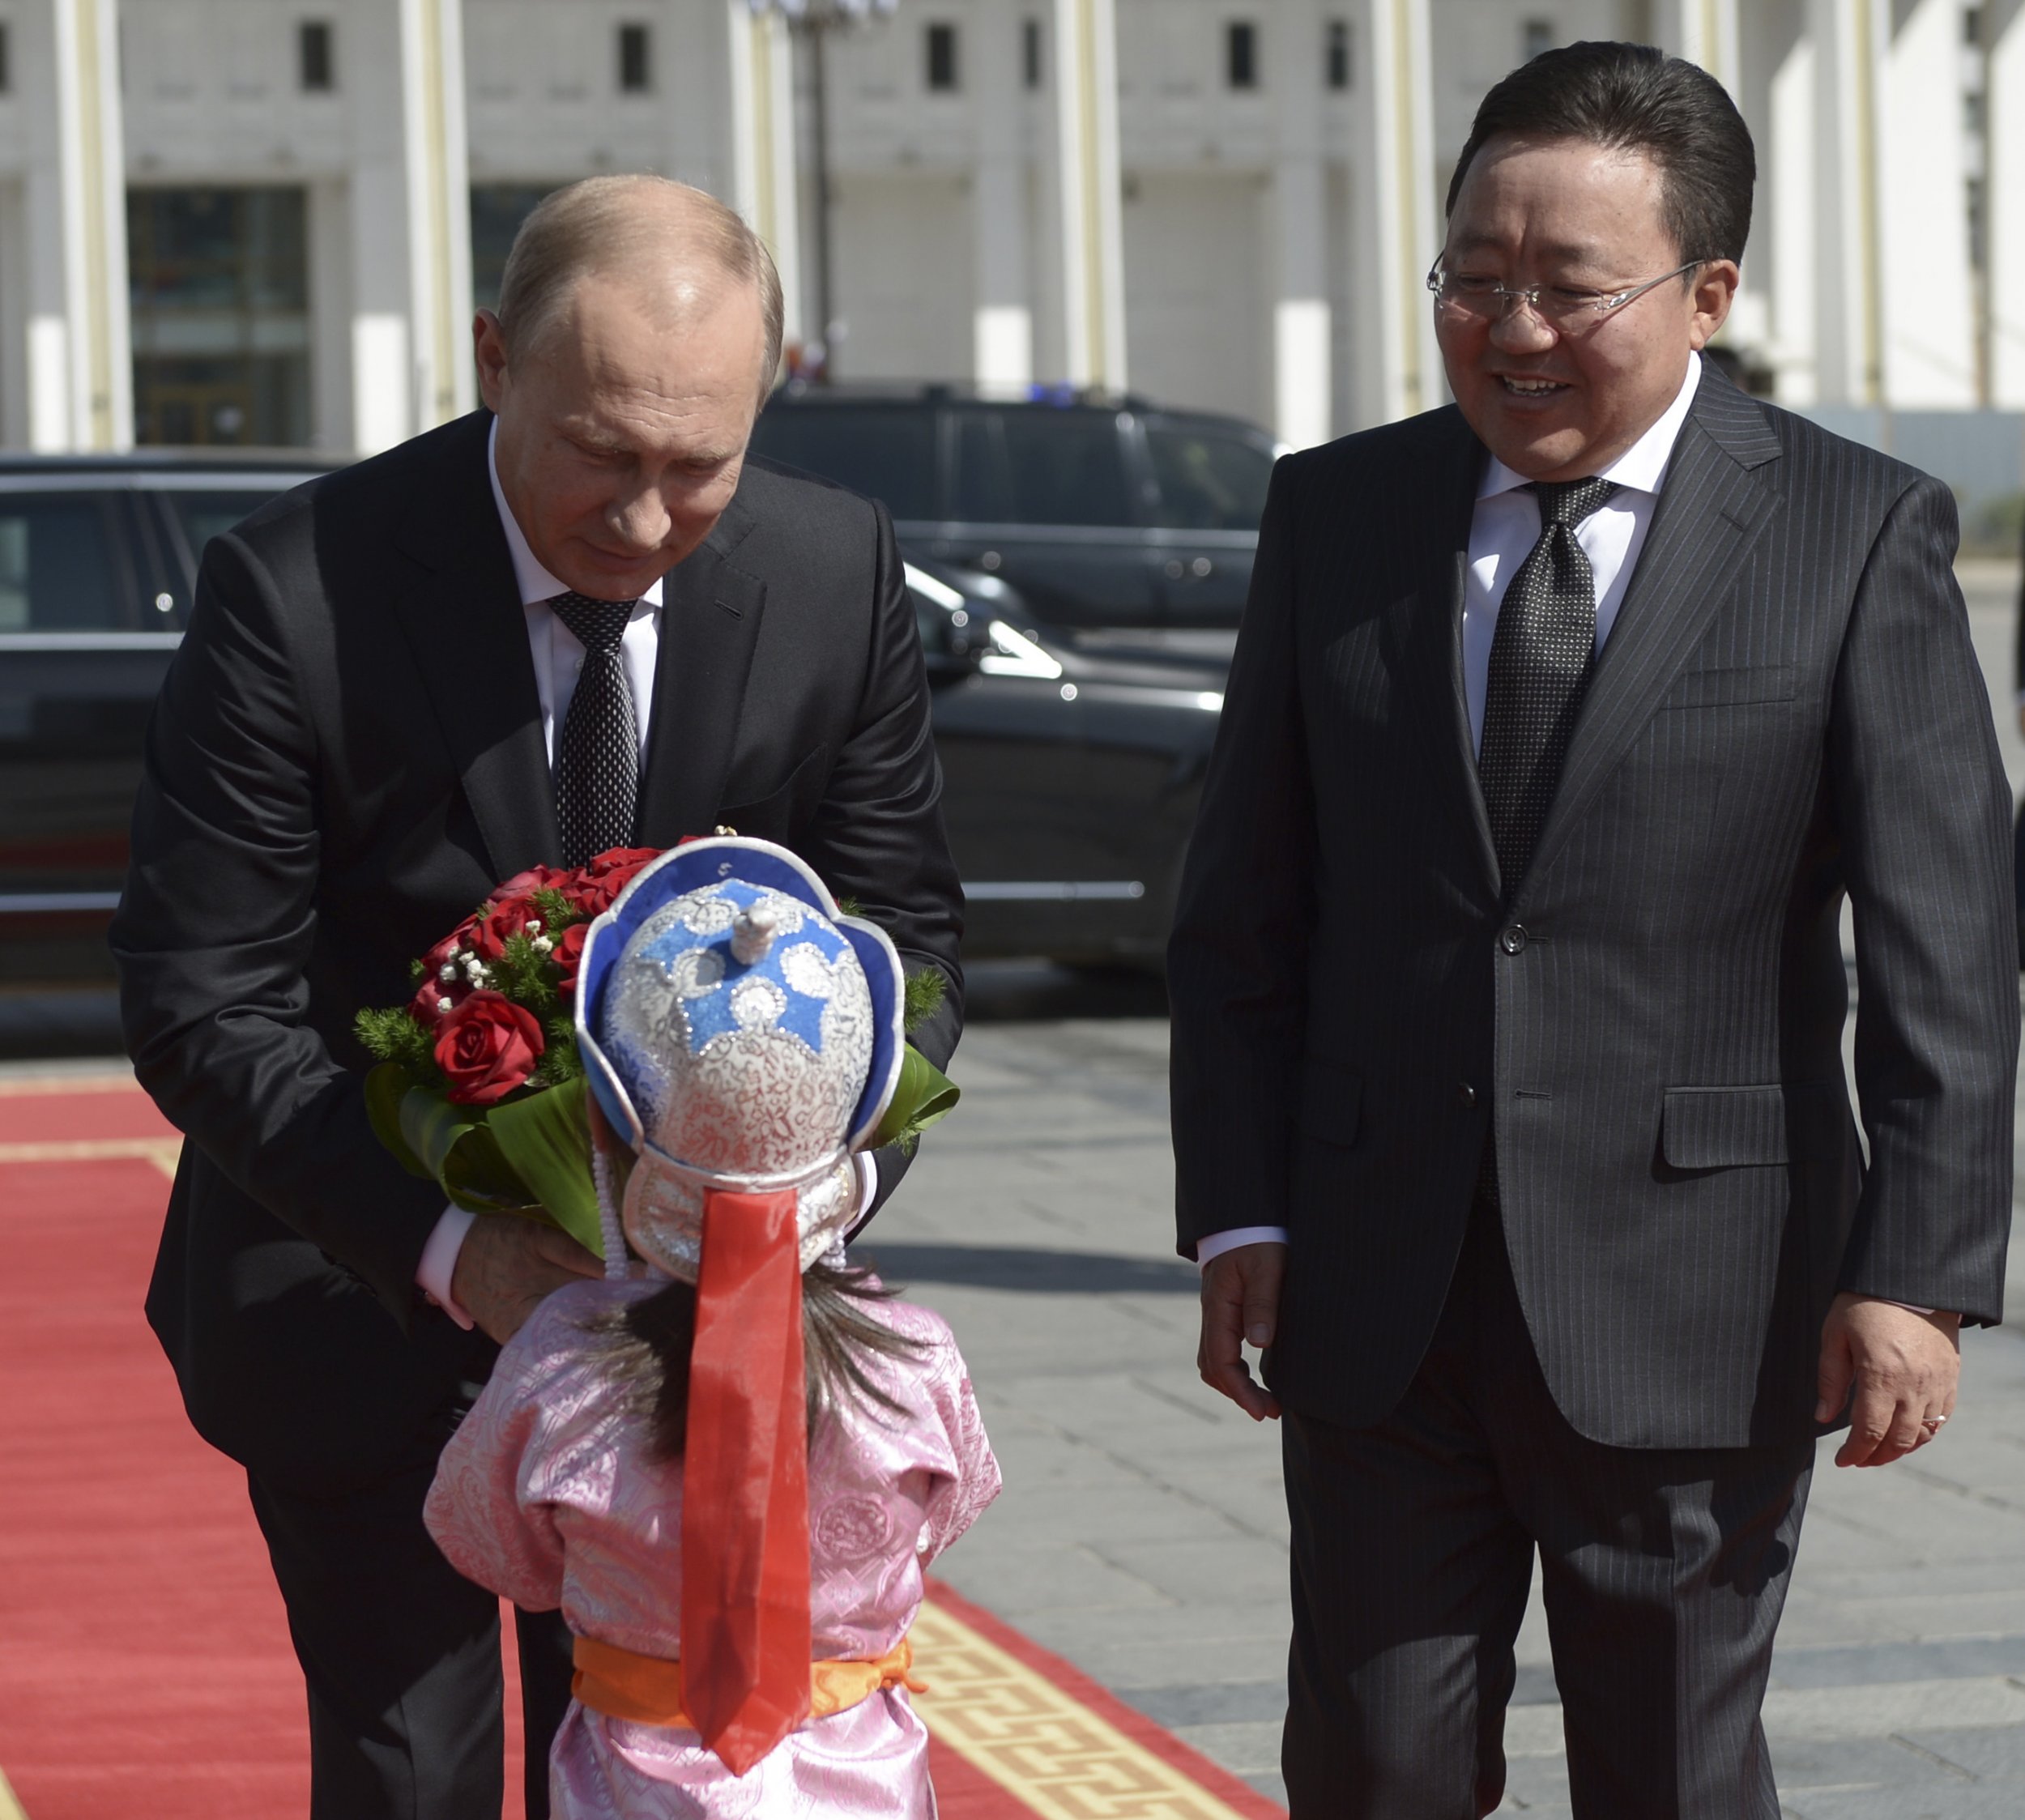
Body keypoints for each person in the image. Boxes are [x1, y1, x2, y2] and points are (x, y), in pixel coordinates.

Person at [1168, 41, 2015, 1820]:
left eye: (1567, 287)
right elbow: (1247, 900)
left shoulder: (1850, 532)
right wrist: (1238, 1198)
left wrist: (1914, 1271)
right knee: (1371, 1762)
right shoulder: (1337, 514)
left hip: (1697, 1292)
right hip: (1373, 1275)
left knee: (1673, 1773)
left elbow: (1943, 942)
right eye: (1473, 279)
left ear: (1704, 292)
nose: (1512, 328)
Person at [112, 176, 963, 1818]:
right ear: (493, 357)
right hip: (359, 1285)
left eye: (695, 465)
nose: (644, 519)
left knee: (669, 1764)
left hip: (695, 1333)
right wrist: (464, 1253)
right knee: (408, 1766)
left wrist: (810, 1186)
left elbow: (903, 936)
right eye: (599, 450)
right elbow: (202, 992)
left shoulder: (829, 568)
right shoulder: (297, 591)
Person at [424, 837, 997, 1818]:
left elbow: (490, 1546)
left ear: (601, 1128)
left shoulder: (561, 1359)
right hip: (859, 1779)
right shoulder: (918, 1352)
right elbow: (951, 1513)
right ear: (858, 1125)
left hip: (634, 1780)